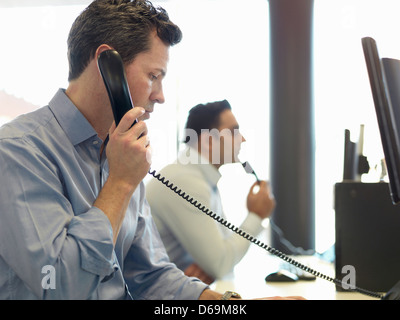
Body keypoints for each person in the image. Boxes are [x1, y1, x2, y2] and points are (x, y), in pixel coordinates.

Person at [0, 0, 303, 300]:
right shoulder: (18, 152)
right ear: (108, 66)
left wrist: (232, 307)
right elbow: (61, 288)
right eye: (153, 76)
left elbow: (153, 278)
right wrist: (119, 183)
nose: (160, 97)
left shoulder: (121, 153)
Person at [146, 100, 275, 284]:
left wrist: (215, 264)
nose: (243, 139)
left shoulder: (202, 178)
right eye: (233, 131)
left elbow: (224, 255)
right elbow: (222, 264)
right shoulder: (184, 181)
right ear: (208, 141)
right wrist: (256, 215)